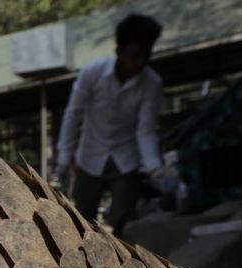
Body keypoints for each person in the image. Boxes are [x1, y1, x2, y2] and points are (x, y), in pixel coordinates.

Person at [53, 14, 164, 234]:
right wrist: (63, 162)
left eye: (145, 56)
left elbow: (145, 129)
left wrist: (155, 169)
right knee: (82, 220)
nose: (140, 63)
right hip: (90, 155)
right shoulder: (92, 73)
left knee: (120, 218)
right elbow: (73, 115)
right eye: (134, 56)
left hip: (126, 157)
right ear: (119, 51)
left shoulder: (151, 83)